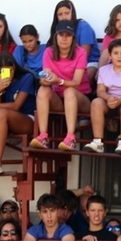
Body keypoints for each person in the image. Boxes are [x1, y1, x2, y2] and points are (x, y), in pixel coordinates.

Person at [30, 20, 90, 152]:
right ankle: (43, 135)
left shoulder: (80, 52)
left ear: (73, 37)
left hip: (81, 97)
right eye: (61, 35)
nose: (64, 38)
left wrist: (58, 81)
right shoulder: (49, 52)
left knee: (69, 91)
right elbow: (46, 78)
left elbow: (76, 82)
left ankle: (70, 137)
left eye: (68, 35)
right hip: (59, 97)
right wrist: (45, 81)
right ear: (55, 36)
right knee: (43, 90)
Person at [84, 39, 121, 155]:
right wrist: (109, 98)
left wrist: (119, 101)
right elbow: (100, 91)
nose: (119, 56)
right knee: (96, 102)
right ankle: (98, 142)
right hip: (110, 101)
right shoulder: (104, 70)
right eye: (115, 53)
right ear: (109, 55)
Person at [47, 0, 100, 82]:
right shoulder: (57, 28)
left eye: (67, 13)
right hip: (64, 64)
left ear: (73, 13)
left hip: (89, 62)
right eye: (60, 14)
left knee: (85, 75)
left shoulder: (83, 27)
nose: (64, 17)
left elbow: (85, 54)